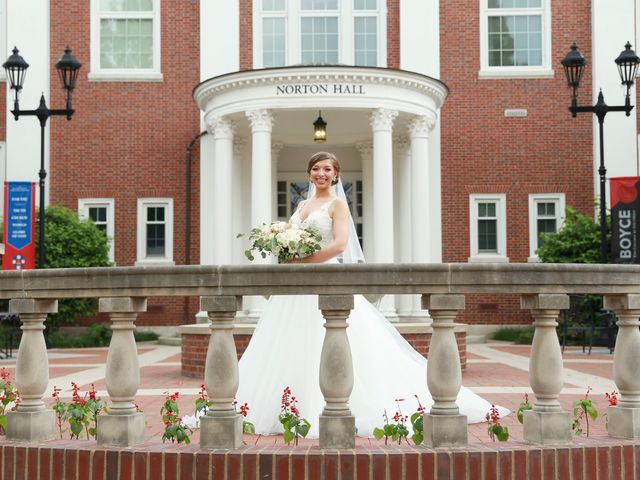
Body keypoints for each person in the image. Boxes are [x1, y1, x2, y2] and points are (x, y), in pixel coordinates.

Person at [236, 151, 507, 437]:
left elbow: (340, 245)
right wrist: (285, 249)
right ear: (309, 173)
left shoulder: (337, 205)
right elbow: (294, 238)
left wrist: (303, 261)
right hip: (295, 286)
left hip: (323, 277)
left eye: (327, 169)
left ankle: (325, 404)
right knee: (290, 341)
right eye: (316, 168)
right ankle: (289, 404)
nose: (321, 173)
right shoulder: (303, 203)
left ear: (336, 174)